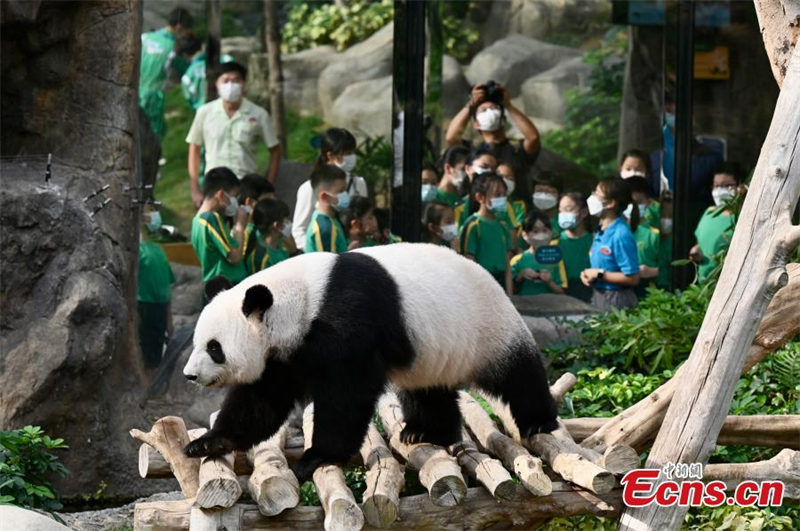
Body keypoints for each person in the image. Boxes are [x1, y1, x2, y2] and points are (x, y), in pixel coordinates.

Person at [187, 62, 282, 207]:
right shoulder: (205, 112)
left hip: (246, 185)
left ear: (243, 84)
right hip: (215, 185)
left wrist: (268, 186)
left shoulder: (258, 114)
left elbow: (275, 150)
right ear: (217, 84)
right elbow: (194, 148)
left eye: (236, 80)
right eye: (225, 81)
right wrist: (195, 188)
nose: (230, 85)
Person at [445, 81, 541, 189]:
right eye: (484, 110)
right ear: (476, 124)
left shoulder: (516, 149)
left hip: (515, 205)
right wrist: (471, 104)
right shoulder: (472, 149)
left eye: (494, 108)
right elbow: (451, 137)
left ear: (503, 119)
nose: (490, 112)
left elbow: (533, 137)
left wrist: (508, 105)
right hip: (478, 203)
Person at [292, 128, 368, 248]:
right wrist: (314, 250)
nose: (351, 157)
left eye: (352, 152)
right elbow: (299, 230)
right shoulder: (310, 188)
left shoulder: (358, 183)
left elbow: (365, 218)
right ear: (330, 155)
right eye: (345, 153)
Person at [581, 177, 641, 310]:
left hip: (617, 299)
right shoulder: (601, 228)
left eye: (597, 194)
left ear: (610, 203)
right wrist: (587, 275)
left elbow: (633, 278)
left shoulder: (621, 234)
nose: (592, 197)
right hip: (599, 295)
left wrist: (599, 274)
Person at [139, 7, 194, 141]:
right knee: (155, 131)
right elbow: (187, 69)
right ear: (179, 27)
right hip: (154, 96)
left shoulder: (144, 38)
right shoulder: (173, 47)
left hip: (134, 93)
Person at [459, 172, 515, 294]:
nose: (502, 199)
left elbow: (507, 264)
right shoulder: (473, 225)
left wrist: (510, 295)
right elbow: (469, 261)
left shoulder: (503, 225)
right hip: (481, 283)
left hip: (501, 282)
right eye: (497, 195)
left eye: (504, 195)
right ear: (480, 197)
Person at [191, 167, 248, 284]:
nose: (234, 201)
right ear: (221, 194)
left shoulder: (197, 220)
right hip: (226, 285)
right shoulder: (210, 219)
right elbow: (235, 257)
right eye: (234, 196)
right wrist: (240, 226)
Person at [689, 162, 742, 283]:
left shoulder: (743, 218)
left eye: (726, 185)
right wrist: (696, 251)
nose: (720, 191)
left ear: (740, 187)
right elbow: (701, 243)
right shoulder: (709, 213)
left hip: (728, 285)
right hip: (703, 285)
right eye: (716, 186)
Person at [138, 203, 175, 377]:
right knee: (146, 358)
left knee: (155, 358)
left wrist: (169, 321)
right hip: (143, 309)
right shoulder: (136, 251)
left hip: (159, 311)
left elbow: (167, 289)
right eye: (150, 211)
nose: (154, 215)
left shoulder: (159, 250)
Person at [511, 210, 567, 296]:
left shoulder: (556, 259)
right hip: (526, 307)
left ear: (551, 233)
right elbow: (510, 290)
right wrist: (521, 275)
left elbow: (562, 292)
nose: (541, 235)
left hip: (551, 307)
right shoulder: (517, 260)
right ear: (525, 235)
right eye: (535, 231)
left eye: (544, 231)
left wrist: (549, 281)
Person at [622, 180, 661, 297]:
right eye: (629, 202)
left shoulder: (655, 234)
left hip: (649, 294)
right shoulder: (616, 232)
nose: (633, 207)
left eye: (639, 202)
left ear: (648, 203)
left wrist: (653, 271)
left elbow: (671, 268)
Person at [180, 37, 235, 112]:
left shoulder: (188, 76)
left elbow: (190, 99)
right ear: (202, 47)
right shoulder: (226, 60)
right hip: (229, 109)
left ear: (185, 55)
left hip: (204, 113)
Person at [557, 192, 593, 302]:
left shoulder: (594, 241)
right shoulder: (556, 242)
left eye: (568, 209)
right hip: (562, 292)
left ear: (584, 212)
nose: (563, 214)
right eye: (560, 210)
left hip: (589, 291)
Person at [305, 165, 350, 253]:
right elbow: (328, 264)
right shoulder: (325, 227)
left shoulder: (330, 220)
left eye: (345, 190)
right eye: (340, 191)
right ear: (324, 196)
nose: (345, 195)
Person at [244, 198, 292, 275]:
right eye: (287, 220)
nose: (289, 223)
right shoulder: (262, 258)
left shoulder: (280, 244)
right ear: (276, 225)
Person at [454, 149, 498, 228]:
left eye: (494, 169)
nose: (490, 172)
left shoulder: (501, 205)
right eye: (484, 167)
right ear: (468, 169)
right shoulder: (460, 208)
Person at [531, 171, 562, 238]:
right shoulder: (527, 220)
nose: (544, 195)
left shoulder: (563, 222)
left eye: (549, 192)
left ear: (559, 195)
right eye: (539, 190)